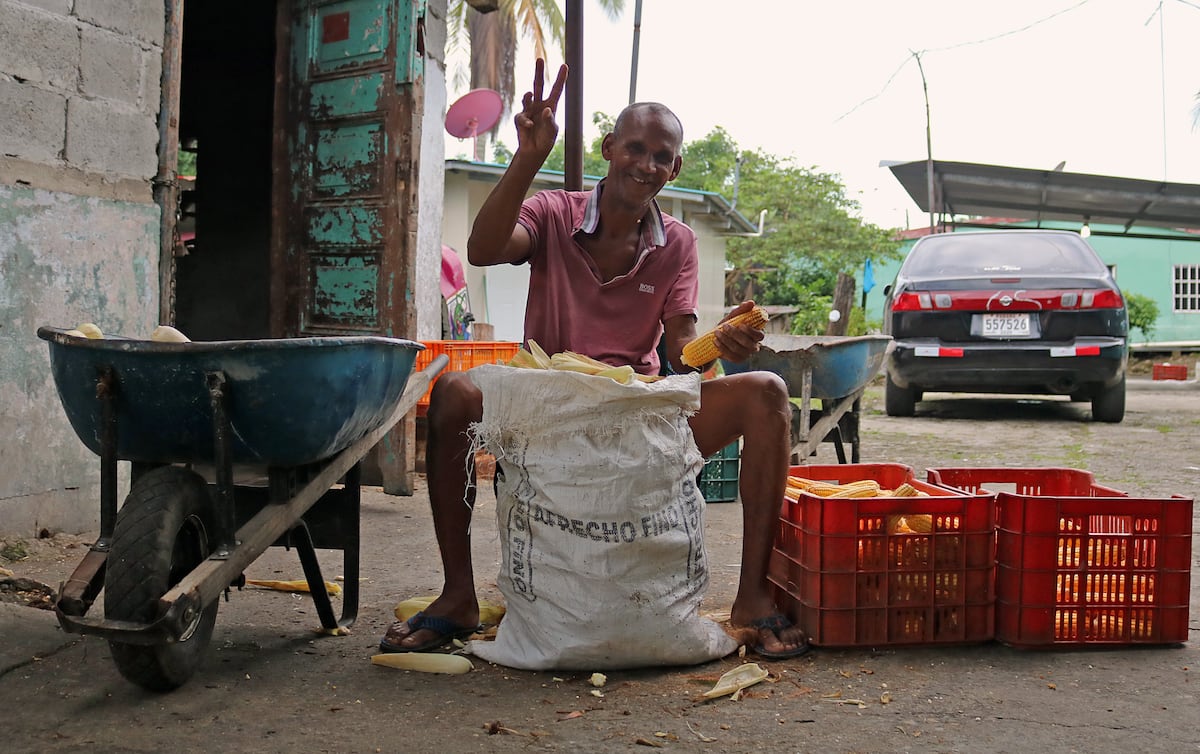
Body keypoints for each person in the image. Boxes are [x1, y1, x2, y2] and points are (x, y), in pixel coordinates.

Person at [380, 60, 807, 659]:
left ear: (675, 167)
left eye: (662, 156)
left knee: (765, 392)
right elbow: (483, 249)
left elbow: (680, 351)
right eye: (635, 148)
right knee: (454, 394)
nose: (647, 164)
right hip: (548, 408)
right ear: (609, 148)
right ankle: (458, 596)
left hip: (636, 410)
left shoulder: (678, 243)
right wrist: (528, 156)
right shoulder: (553, 213)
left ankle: (752, 597)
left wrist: (720, 344)